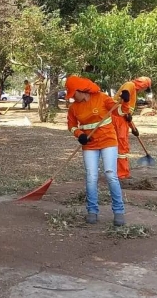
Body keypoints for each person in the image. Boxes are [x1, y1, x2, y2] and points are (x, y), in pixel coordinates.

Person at [65, 75, 131, 226]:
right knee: (91, 176)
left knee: (110, 174)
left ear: (80, 90)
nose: (72, 97)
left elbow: (120, 111)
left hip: (108, 140)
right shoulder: (74, 107)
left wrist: (125, 101)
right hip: (89, 144)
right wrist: (79, 135)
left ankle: (119, 211)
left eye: (73, 94)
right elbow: (72, 125)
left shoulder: (101, 98)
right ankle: (92, 211)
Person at [112, 76, 152, 180]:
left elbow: (127, 114)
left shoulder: (133, 91)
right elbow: (125, 94)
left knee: (121, 148)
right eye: (145, 88)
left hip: (122, 121)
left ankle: (121, 172)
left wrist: (133, 128)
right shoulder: (130, 85)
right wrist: (125, 94)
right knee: (121, 148)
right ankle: (121, 174)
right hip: (118, 122)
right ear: (143, 85)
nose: (144, 91)